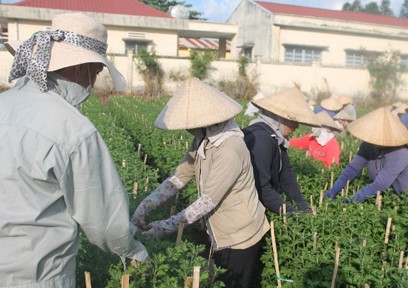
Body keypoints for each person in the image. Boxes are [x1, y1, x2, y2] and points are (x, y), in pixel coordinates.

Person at [0, 13, 149, 287]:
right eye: (97, 70)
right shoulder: (72, 130)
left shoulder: (4, 104)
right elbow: (107, 225)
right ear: (80, 67)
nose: (94, 80)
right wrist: (138, 255)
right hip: (36, 278)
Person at [131, 77, 270, 288]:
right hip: (218, 230)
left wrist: (165, 226)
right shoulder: (203, 140)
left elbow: (207, 202)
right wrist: (146, 205)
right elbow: (179, 177)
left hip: (239, 236)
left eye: (191, 125)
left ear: (208, 122)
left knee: (233, 283)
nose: (188, 130)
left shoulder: (230, 148)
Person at [243, 86, 320, 214]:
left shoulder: (275, 137)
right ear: (279, 118)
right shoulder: (262, 140)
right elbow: (261, 188)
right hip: (245, 209)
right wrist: (291, 214)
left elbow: (285, 173)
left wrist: (302, 205)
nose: (297, 126)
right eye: (293, 120)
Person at [324, 106, 408, 202]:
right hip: (386, 197)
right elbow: (353, 168)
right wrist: (333, 191)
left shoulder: (400, 153)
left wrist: (351, 201)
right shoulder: (369, 144)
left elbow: (380, 184)